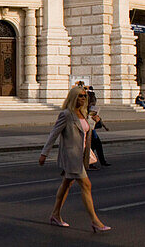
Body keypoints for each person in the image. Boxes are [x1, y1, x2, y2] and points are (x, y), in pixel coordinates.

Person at [38, 85, 110, 233]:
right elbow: (53, 134)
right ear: (73, 97)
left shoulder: (83, 114)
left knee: (67, 184)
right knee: (86, 185)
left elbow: (85, 130)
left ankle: (55, 215)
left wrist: (94, 121)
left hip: (81, 155)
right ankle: (95, 221)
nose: (83, 98)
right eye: (80, 96)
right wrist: (44, 153)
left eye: (85, 96)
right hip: (71, 156)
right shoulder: (66, 114)